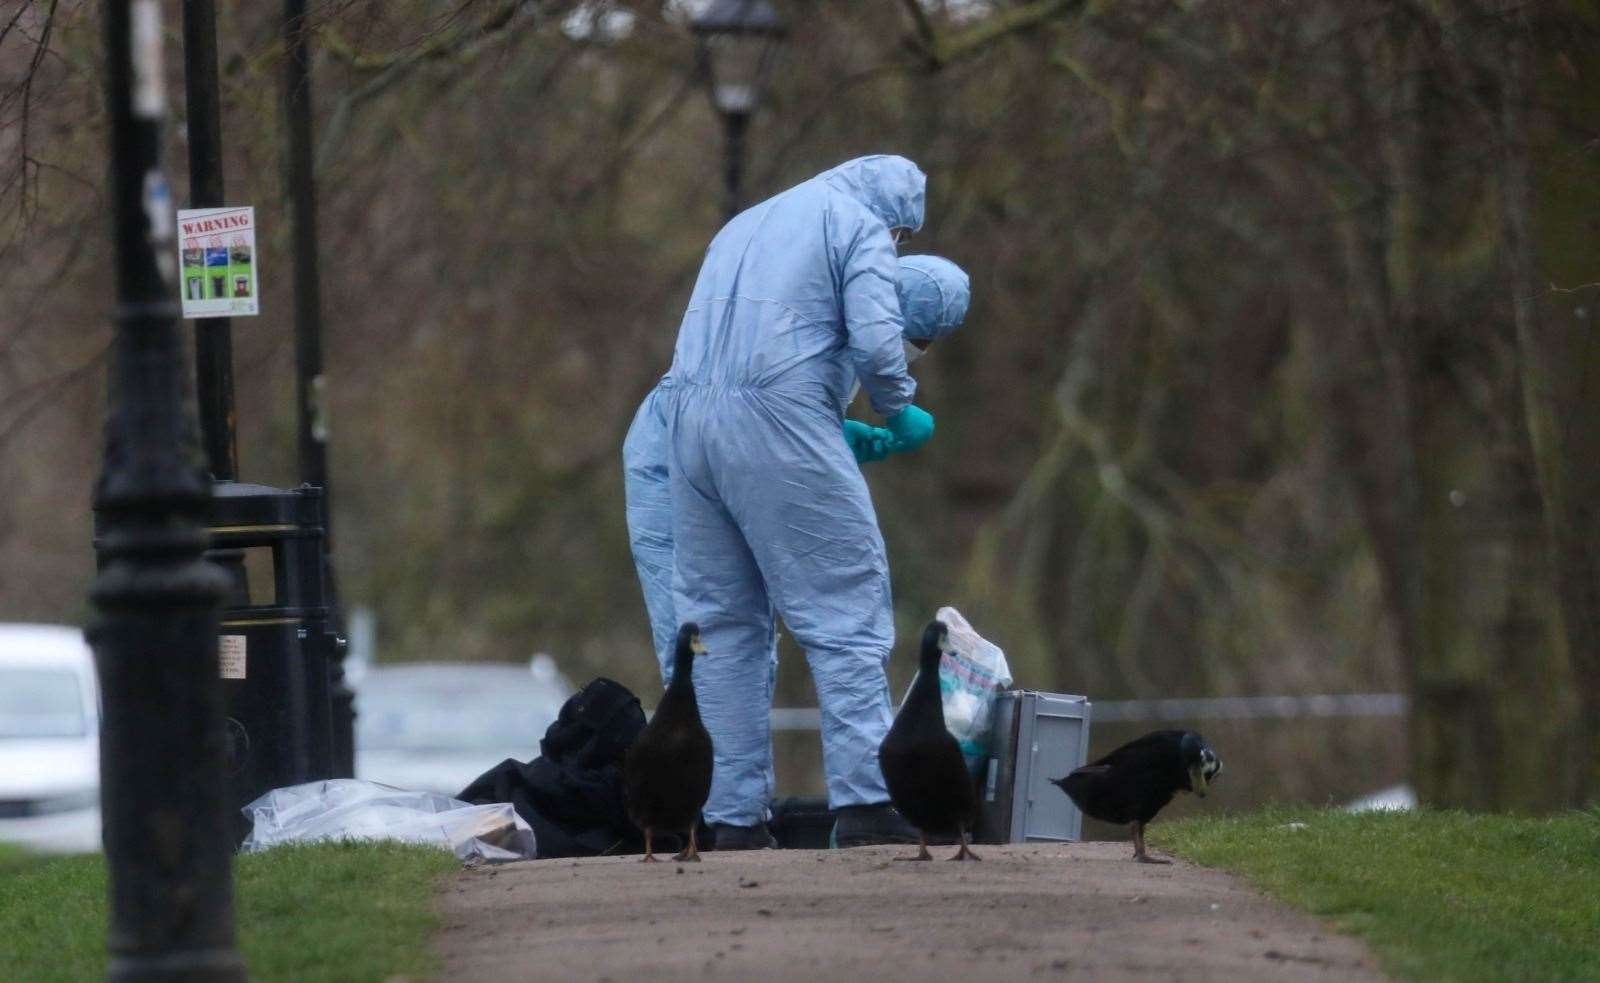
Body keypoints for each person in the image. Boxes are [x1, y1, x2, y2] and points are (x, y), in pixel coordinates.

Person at [658, 155, 961, 849]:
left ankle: (733, 817)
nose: (899, 249)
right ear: (895, 217)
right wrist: (898, 409)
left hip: (688, 427)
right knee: (844, 606)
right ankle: (866, 799)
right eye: (903, 238)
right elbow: (879, 342)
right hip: (780, 420)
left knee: (721, 627)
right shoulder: (856, 225)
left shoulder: (744, 223)